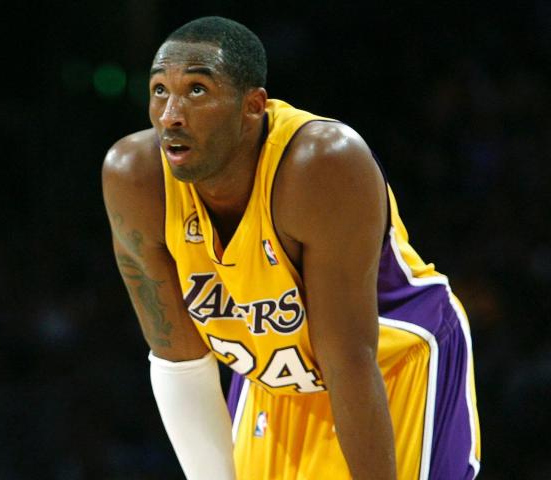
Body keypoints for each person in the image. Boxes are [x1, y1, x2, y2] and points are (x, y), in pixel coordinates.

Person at [102, 16, 481, 480]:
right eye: (159, 90)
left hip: (386, 366)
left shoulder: (320, 164)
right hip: (274, 379)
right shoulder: (135, 178)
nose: (170, 114)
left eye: (197, 90)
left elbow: (349, 359)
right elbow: (178, 359)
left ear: (253, 106)